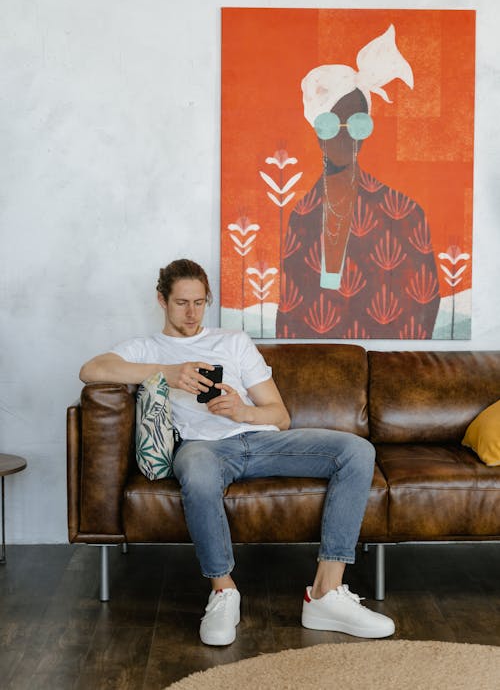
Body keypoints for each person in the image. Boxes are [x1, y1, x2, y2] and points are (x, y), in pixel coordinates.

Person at [80, 258, 395, 645]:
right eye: (182, 303)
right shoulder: (146, 347)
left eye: (199, 302)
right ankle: (224, 592)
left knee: (356, 450)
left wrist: (240, 409)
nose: (192, 312)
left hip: (261, 439)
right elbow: (91, 369)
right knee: (196, 473)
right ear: (161, 300)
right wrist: (166, 371)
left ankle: (326, 594)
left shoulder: (233, 342)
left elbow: (279, 416)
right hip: (204, 449)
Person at [276, 24, 441, 339]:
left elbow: (424, 309)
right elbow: (289, 315)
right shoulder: (301, 217)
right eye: (329, 123)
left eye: (357, 123)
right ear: (316, 130)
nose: (343, 134)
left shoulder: (405, 213)